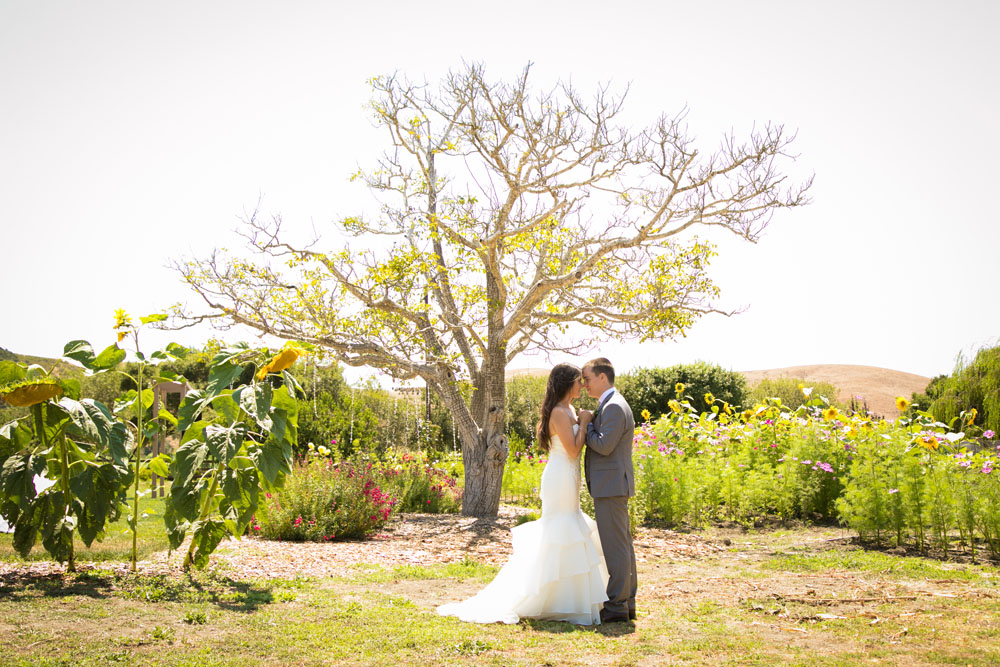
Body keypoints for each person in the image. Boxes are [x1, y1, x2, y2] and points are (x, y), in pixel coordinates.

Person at [436, 363, 610, 625]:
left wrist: (581, 419)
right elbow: (573, 450)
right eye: (578, 381)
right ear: (567, 383)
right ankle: (542, 596)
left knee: (568, 530)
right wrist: (584, 423)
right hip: (560, 477)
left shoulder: (569, 409)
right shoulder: (561, 413)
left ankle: (565, 598)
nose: (582, 385)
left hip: (569, 478)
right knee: (560, 531)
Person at [581, 357, 637, 623]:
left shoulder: (614, 406)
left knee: (616, 547)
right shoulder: (611, 404)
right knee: (621, 545)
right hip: (611, 485)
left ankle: (617, 606)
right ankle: (626, 602)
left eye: (588, 379)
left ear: (603, 377)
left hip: (612, 487)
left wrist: (587, 424)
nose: (584, 385)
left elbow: (603, 445)